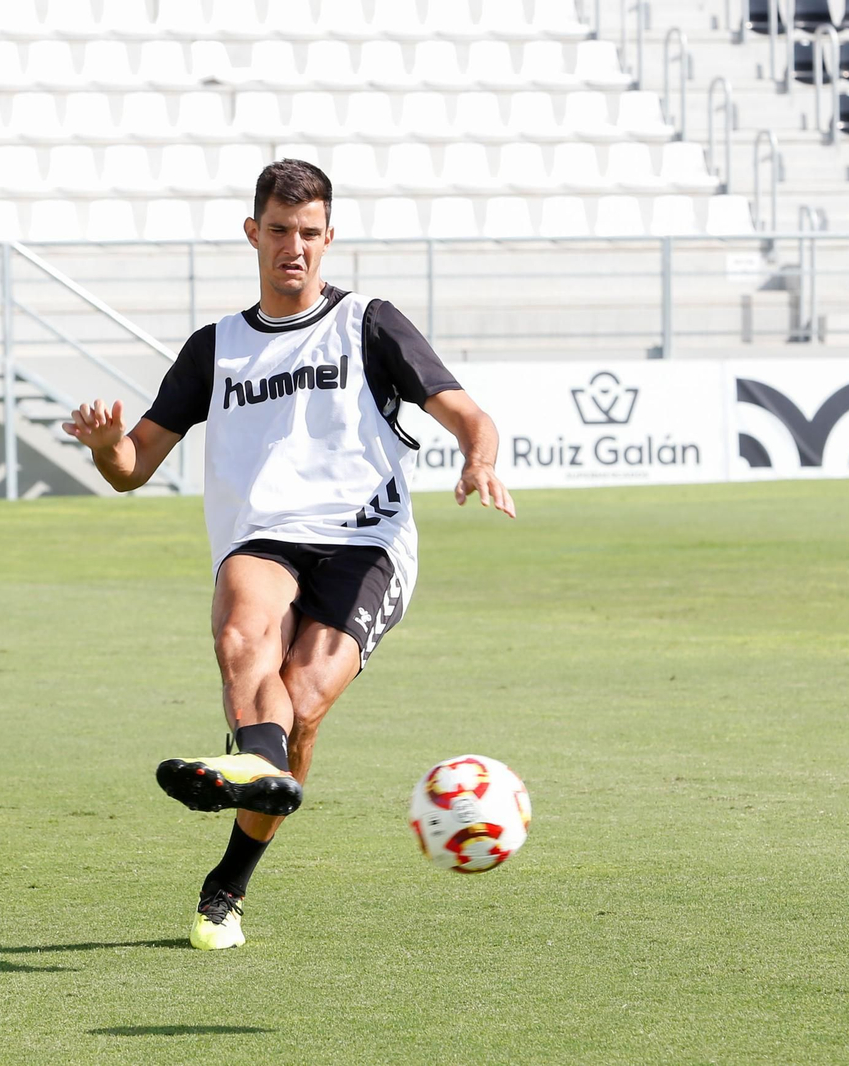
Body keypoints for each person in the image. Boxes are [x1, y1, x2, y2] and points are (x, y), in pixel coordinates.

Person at [62, 159, 514, 951]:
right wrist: (106, 447)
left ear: (329, 238)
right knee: (245, 630)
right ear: (253, 234)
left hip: (365, 540)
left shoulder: (369, 322)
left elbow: (467, 412)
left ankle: (229, 878)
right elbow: (133, 468)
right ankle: (254, 765)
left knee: (300, 702)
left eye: (309, 234)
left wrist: (478, 457)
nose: (293, 248)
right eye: (278, 231)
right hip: (262, 538)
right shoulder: (217, 349)